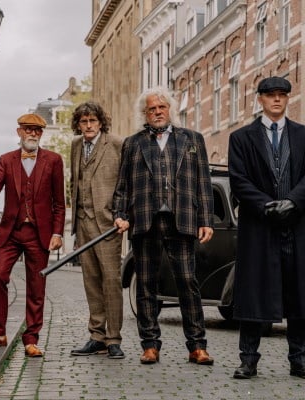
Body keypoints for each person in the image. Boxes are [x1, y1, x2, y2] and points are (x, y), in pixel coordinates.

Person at [228, 76, 305, 380]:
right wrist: (266, 204)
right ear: (260, 99)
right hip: (259, 226)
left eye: (282, 95)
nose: (277, 100)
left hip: (295, 225)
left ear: (288, 99)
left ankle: (300, 359)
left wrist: (293, 202)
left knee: (299, 293)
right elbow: (238, 179)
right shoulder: (241, 138)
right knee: (254, 292)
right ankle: (248, 360)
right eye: (271, 96)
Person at [113, 87, 214, 366]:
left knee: (187, 282)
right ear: (144, 114)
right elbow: (123, 185)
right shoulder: (132, 143)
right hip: (144, 221)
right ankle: (150, 345)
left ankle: (197, 346)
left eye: (161, 107)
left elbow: (203, 183)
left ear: (170, 109)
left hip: (181, 221)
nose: (157, 112)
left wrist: (205, 219)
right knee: (146, 284)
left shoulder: (192, 139)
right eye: (151, 109)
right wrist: (120, 213)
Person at [0, 113, 65, 357]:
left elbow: (59, 203)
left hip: (39, 234)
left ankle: (31, 339)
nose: (32, 134)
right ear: (19, 131)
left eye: (37, 130)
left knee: (36, 286)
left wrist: (57, 232)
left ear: (41, 134)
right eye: (28, 129)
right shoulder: (6, 160)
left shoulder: (53, 161)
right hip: (11, 231)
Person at [68, 101, 125, 359]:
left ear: (100, 122)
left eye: (92, 121)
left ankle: (114, 339)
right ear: (78, 125)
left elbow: (125, 183)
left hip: (107, 224)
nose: (88, 126)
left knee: (111, 281)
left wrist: (123, 215)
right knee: (91, 282)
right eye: (83, 122)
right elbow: (75, 182)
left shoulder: (116, 144)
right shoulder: (75, 146)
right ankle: (97, 337)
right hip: (84, 223)